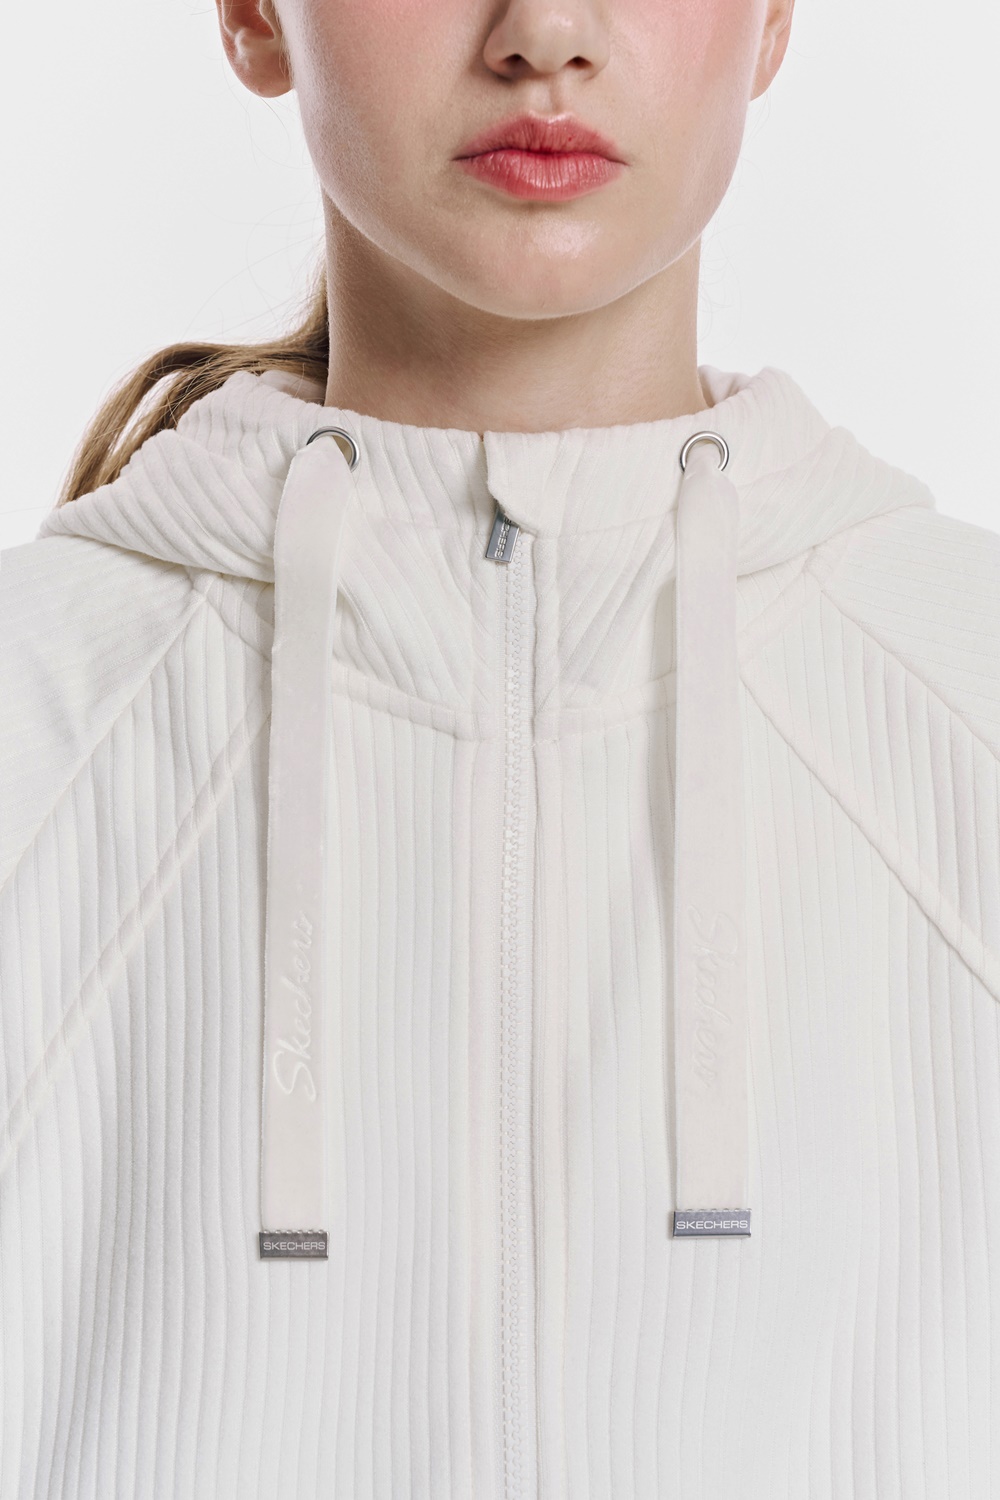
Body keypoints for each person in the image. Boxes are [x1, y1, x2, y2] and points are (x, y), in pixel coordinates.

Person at [2, 0, 998, 1494]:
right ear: (257, 15)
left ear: (775, 19)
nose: (545, 32)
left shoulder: (970, 708)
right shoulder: (32, 729)